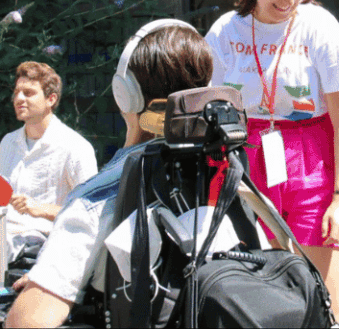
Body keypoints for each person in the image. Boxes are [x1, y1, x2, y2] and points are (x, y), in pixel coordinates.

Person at [205, 0, 339, 328]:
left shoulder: (320, 26)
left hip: (316, 159)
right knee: (262, 305)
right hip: (247, 161)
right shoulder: (225, 31)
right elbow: (206, 106)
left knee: (328, 308)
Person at [5, 20, 212, 328]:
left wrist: (41, 291)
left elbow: (29, 322)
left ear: (124, 93)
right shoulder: (228, 174)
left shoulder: (99, 196)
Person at [0, 61, 97, 259]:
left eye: (28, 93)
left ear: (51, 99)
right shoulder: (8, 143)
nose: (18, 99)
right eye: (16, 92)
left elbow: (91, 213)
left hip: (45, 247)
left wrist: (41, 209)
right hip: (5, 237)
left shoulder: (75, 147)